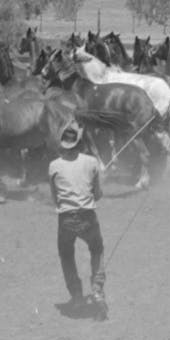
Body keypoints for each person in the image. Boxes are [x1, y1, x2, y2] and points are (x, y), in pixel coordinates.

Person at [49, 121, 107, 321]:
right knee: (97, 249)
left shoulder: (53, 166)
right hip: (87, 216)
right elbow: (97, 194)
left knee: (66, 255)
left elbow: (55, 198)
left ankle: (76, 296)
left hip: (66, 219)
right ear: (78, 142)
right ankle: (97, 290)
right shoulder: (91, 162)